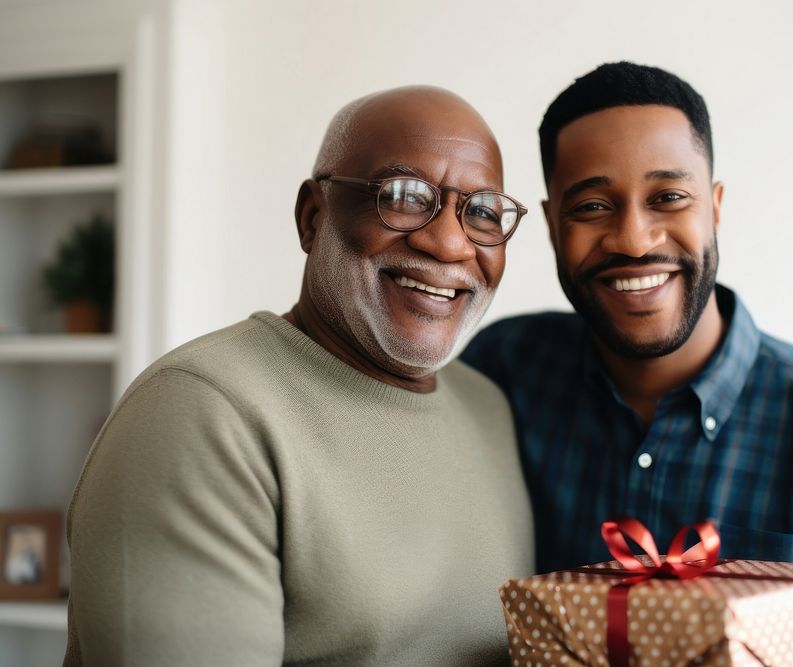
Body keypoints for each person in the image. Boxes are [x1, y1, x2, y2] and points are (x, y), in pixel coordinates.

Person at [461, 62, 793, 664]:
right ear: (554, 227)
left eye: (668, 197)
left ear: (714, 207)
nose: (633, 238)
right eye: (591, 206)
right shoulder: (505, 374)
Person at [65, 86, 534, 666]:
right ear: (313, 218)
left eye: (483, 211)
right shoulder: (200, 413)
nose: (448, 241)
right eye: (405, 196)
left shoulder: (489, 405)